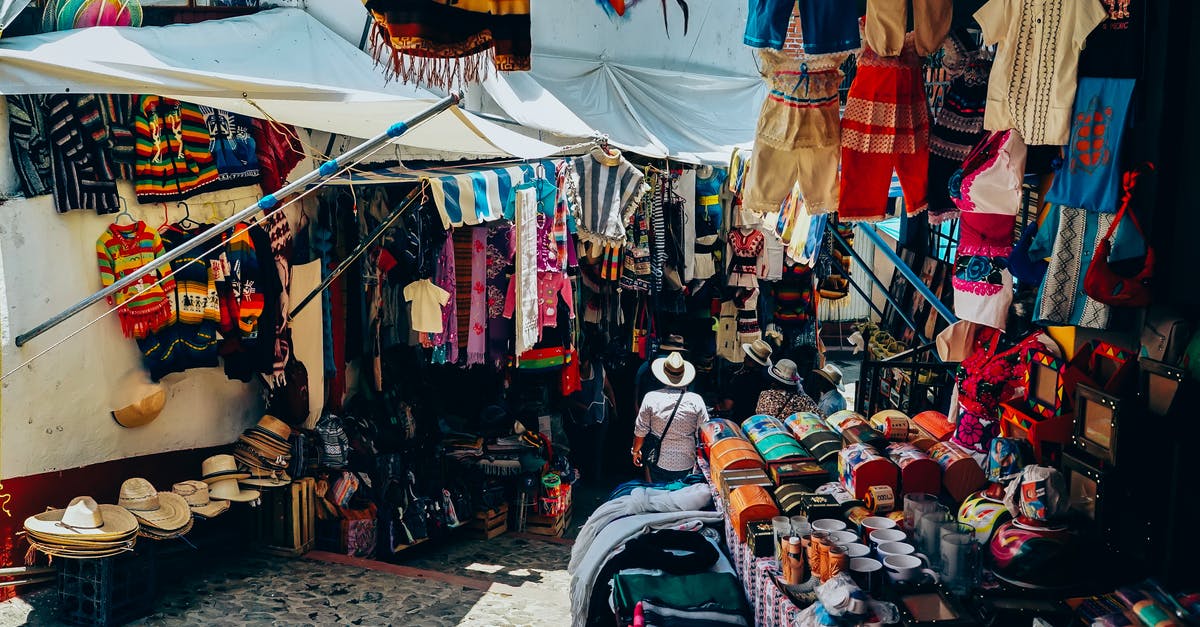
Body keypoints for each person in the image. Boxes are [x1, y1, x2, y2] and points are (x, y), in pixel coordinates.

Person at [632, 352, 708, 483]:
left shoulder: (651, 398)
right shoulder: (696, 400)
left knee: (656, 496)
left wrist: (636, 451)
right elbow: (703, 434)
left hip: (658, 461)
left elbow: (640, 432)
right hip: (687, 462)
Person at [567, 350, 617, 484]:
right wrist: (579, 406)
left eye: (582, 362)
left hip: (600, 415)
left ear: (588, 361)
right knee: (581, 447)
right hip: (579, 417)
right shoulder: (571, 372)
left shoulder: (598, 369)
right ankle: (581, 476)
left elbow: (608, 388)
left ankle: (596, 478)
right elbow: (565, 399)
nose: (579, 364)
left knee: (597, 448)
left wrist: (614, 408)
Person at [633, 334, 688, 414]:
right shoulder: (681, 367)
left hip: (648, 406)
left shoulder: (648, 363)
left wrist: (636, 405)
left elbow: (637, 383)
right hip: (669, 410)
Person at [720, 338, 773, 422]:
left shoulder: (740, 379)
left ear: (753, 362)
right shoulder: (768, 382)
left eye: (747, 357)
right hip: (759, 422)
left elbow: (728, 405)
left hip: (741, 422)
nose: (744, 359)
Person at [755, 359, 819, 419]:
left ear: (774, 381)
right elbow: (820, 416)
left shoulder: (765, 395)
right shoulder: (804, 399)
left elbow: (760, 417)